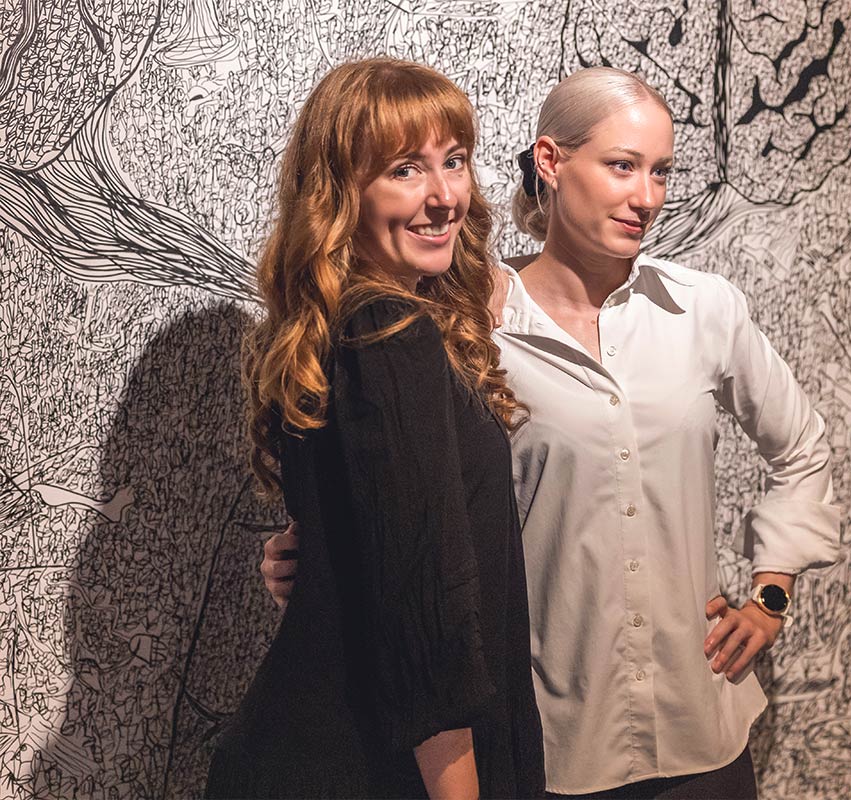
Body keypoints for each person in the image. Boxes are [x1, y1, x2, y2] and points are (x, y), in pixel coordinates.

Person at [261, 66, 841, 799]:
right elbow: (414, 503)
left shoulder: (703, 310)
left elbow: (802, 448)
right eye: (623, 166)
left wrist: (771, 594)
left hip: (700, 728)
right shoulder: (471, 323)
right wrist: (321, 558)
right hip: (552, 742)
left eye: (661, 171)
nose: (647, 196)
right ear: (550, 161)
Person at [208, 58, 544, 799]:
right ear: (341, 195)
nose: (445, 196)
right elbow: (427, 619)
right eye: (404, 169)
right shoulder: (389, 330)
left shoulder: (352, 323)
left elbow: (377, 543)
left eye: (454, 160)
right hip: (379, 766)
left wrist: (320, 566)